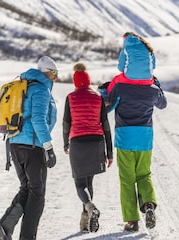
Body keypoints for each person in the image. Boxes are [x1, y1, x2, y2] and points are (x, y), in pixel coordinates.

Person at [106, 32, 167, 232]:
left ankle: (132, 220)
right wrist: (156, 85)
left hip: (124, 138)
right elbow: (163, 104)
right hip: (145, 138)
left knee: (127, 180)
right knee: (144, 174)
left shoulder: (120, 87)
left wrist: (104, 92)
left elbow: (107, 107)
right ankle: (149, 204)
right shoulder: (151, 89)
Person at [0, 56, 58, 240]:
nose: (55, 77)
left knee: (27, 188)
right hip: (32, 146)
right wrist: (49, 147)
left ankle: (5, 226)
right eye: (53, 73)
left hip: (15, 144)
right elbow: (38, 120)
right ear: (46, 72)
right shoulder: (40, 89)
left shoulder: (23, 86)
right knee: (37, 194)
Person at [62, 63, 113, 233]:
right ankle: (85, 221)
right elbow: (106, 126)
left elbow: (66, 123)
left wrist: (65, 143)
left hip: (78, 142)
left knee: (79, 184)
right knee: (89, 181)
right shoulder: (98, 97)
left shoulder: (70, 98)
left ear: (75, 81)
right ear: (89, 80)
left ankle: (90, 208)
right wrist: (110, 152)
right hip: (96, 142)